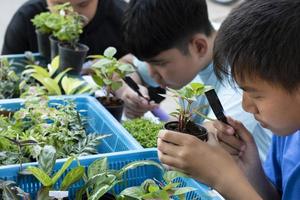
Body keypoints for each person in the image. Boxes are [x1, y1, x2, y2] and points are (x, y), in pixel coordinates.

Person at [157, 0, 300, 199]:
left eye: (256, 95)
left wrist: (223, 178)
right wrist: (250, 169)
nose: (246, 106)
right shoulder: (288, 128)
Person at [120, 0, 271, 160]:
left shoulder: (240, 82)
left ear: (199, 47)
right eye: (148, 63)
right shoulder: (198, 40)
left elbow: (209, 151)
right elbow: (125, 64)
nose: (152, 74)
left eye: (160, 63)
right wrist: (127, 91)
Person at [2, 0, 128, 59]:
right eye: (59, 4)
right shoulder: (27, 17)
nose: (71, 14)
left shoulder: (123, 17)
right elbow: (7, 67)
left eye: (83, 4)